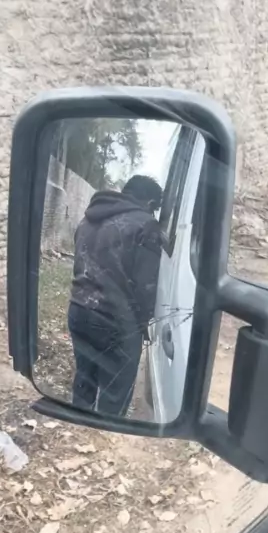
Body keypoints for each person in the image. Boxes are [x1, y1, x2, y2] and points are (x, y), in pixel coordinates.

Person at [68, 175, 163, 416]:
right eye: (155, 208)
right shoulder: (146, 225)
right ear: (150, 203)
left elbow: (80, 263)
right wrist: (145, 322)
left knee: (84, 379)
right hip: (117, 320)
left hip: (78, 309)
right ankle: (106, 432)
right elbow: (146, 286)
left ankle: (79, 424)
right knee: (115, 394)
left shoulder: (86, 220)